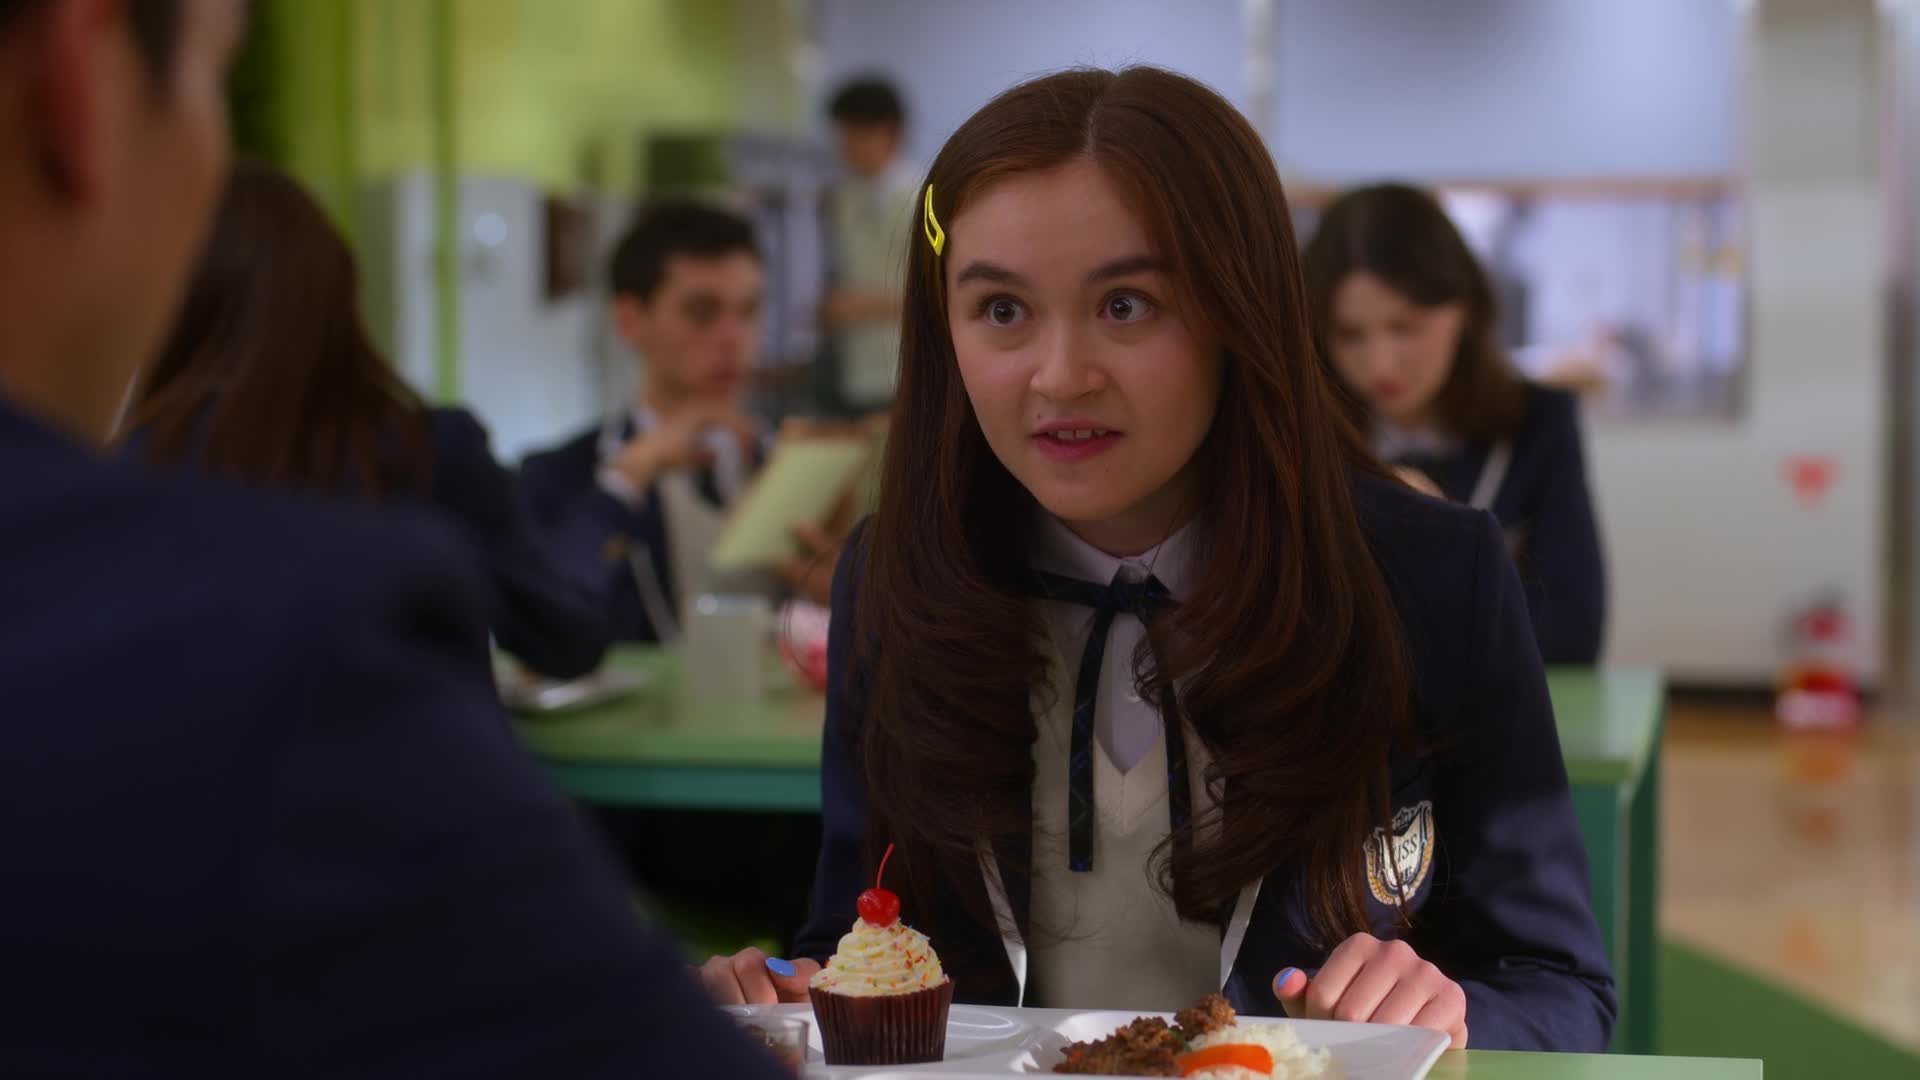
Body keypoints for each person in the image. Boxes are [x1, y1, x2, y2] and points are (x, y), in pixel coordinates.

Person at [698, 67, 1615, 1053]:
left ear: (1240, 310)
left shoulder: (1427, 576)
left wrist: (1448, 1016)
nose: (1061, 376)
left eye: (1126, 305)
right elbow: (856, 937)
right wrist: (785, 999)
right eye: (1001, 310)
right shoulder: (899, 580)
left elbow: (1558, 986)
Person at [0, 1, 789, 1075]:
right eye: (214, 78)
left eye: (747, 310)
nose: (733, 339)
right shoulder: (305, 633)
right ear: (78, 79)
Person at [130, 158, 608, 680]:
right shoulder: (429, 451)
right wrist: (614, 499)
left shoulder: (130, 469)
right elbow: (566, 638)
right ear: (339, 293)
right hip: (424, 735)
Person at [1302, 183, 1607, 664]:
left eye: (1406, 327)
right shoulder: (1304, 434)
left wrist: (1448, 546)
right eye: (1350, 334)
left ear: (1462, 311)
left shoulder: (1538, 423)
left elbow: (1572, 631)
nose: (1380, 364)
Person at [520, 200, 837, 643]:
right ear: (630, 320)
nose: (733, 337)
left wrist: (845, 596)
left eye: (748, 311)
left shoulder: (795, 469)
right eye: (702, 313)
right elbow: (543, 624)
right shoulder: (561, 477)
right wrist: (630, 475)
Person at [818, 75, 916, 415]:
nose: (844, 146)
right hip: (857, 372)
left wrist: (860, 307)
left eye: (855, 134)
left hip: (905, 370)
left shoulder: (924, 199)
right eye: (841, 134)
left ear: (891, 133)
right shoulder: (844, 200)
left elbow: (943, 296)